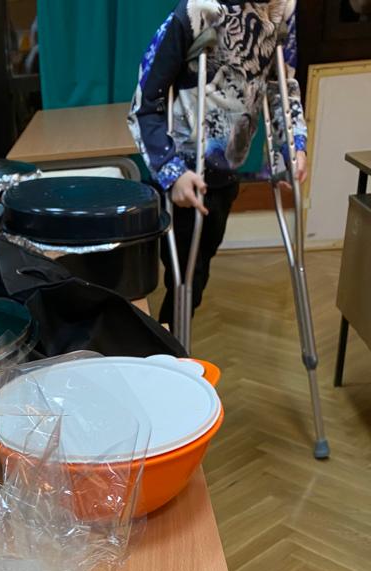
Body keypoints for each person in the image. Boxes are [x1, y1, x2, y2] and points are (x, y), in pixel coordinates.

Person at [128, 0, 308, 331]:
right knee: (183, 275)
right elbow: (145, 103)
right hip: (183, 173)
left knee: (196, 276)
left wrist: (293, 144)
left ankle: (170, 339)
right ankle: (169, 345)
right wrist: (172, 173)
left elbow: (282, 88)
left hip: (225, 173)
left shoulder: (284, 9)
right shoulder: (197, 10)